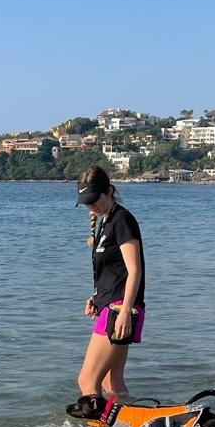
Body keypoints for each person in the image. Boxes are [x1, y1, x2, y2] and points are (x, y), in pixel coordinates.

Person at [74, 165, 146, 408]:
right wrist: (95, 298)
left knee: (87, 381)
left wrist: (125, 311)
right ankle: (135, 422)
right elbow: (112, 271)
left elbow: (135, 270)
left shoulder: (122, 220)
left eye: (94, 199)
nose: (91, 205)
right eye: (86, 201)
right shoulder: (105, 223)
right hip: (110, 306)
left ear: (109, 191)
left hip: (119, 311)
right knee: (111, 383)